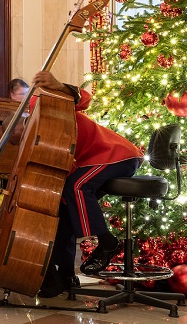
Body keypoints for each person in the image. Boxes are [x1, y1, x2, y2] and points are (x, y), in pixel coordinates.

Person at [33, 70, 144, 298]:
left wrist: (59, 84)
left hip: (116, 155)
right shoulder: (32, 122)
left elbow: (84, 98)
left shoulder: (46, 104)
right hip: (90, 162)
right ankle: (64, 275)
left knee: (76, 186)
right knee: (64, 207)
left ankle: (107, 243)